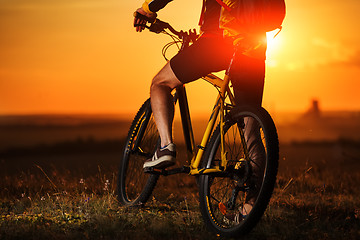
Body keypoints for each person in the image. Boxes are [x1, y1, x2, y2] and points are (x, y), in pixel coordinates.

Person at [133, 0, 267, 172]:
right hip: (254, 47)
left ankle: (165, 147)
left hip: (217, 43)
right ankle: (254, 198)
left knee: (160, 83)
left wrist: (147, 9)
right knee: (252, 129)